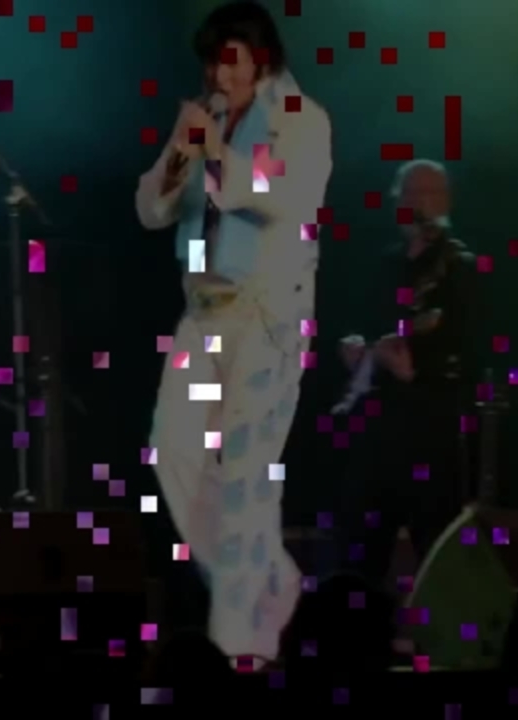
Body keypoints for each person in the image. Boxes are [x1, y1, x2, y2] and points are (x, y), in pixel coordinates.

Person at [134, 0, 333, 664]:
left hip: (267, 314)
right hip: (203, 312)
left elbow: (283, 199)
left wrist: (216, 153)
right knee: (174, 453)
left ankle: (240, 650)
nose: (220, 77)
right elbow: (152, 209)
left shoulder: (301, 120)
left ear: (262, 58)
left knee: (248, 478)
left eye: (232, 62)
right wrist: (178, 154)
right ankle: (270, 581)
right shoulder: (206, 118)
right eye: (212, 64)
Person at [334, 159, 484, 590]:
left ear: (446, 202)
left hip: (429, 433)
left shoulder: (460, 268)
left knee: (438, 557)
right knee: (358, 558)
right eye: (407, 194)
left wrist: (415, 369)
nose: (415, 203)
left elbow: (471, 351)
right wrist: (353, 347)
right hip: (375, 430)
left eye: (426, 194)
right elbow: (355, 320)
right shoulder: (383, 263)